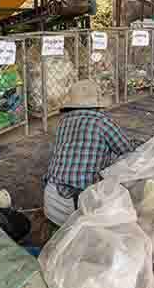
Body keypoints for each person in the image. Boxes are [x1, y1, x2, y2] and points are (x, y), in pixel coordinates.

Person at [44, 79, 135, 227]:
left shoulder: (62, 123)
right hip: (77, 208)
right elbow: (128, 151)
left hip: (51, 200)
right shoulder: (102, 122)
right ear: (97, 105)